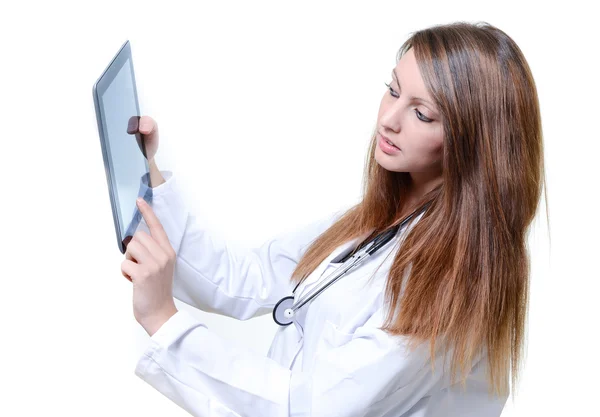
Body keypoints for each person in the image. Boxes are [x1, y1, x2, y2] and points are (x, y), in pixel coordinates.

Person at [120, 21, 546, 417]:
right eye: (393, 90)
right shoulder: (378, 220)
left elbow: (306, 408)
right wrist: (150, 174)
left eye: (421, 113)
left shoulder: (455, 284)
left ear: (475, 144)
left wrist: (163, 321)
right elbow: (246, 277)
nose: (388, 119)